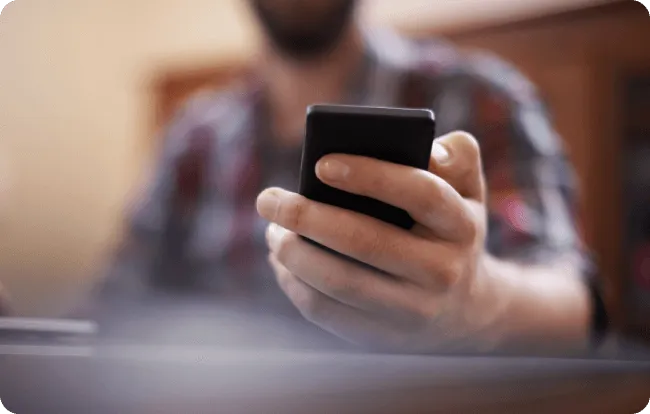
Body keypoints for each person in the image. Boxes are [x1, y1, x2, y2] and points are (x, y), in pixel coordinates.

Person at [87, 0, 607, 353]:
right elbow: (115, 305)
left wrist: (480, 303)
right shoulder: (194, 136)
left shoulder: (481, 96)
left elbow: (579, 307)